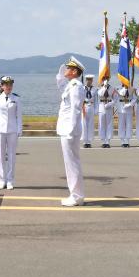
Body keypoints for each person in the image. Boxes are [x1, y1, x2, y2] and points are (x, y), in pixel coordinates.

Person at [56, 57, 85, 207]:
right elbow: (60, 86)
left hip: (70, 130)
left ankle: (77, 195)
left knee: (72, 163)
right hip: (67, 128)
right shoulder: (70, 85)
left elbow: (76, 109)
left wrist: (71, 130)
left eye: (68, 68)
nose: (65, 70)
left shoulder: (76, 86)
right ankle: (75, 194)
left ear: (74, 72)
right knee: (70, 163)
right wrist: (60, 75)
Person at [0, 76, 22, 190]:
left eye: (10, 85)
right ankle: (2, 180)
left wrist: (19, 130)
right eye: (6, 85)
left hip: (12, 130)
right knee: (0, 156)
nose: (8, 87)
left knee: (12, 156)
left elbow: (19, 116)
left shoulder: (16, 98)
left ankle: (10, 180)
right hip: (0, 130)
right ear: (2, 86)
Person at [97, 76, 117, 148]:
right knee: (102, 124)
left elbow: (115, 99)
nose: (105, 80)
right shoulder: (100, 88)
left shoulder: (112, 88)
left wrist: (109, 104)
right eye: (104, 79)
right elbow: (100, 94)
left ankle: (107, 141)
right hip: (102, 106)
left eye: (106, 79)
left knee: (109, 124)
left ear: (108, 79)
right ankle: (103, 141)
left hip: (109, 107)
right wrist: (104, 87)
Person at [81, 74, 98, 148]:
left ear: (92, 80)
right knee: (84, 124)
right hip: (84, 107)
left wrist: (96, 110)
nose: (89, 81)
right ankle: (85, 141)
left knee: (90, 125)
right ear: (86, 80)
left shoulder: (94, 89)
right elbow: (80, 99)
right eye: (88, 79)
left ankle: (89, 141)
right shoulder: (82, 88)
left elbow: (96, 100)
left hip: (91, 106)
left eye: (90, 80)